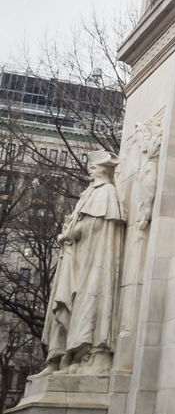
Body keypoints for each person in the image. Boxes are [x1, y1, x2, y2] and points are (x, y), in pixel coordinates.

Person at [39, 151, 125, 375]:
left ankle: (81, 354)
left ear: (104, 170)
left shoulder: (106, 192)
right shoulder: (90, 192)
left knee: (80, 301)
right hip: (74, 257)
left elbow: (93, 226)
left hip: (88, 258)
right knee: (64, 301)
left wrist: (70, 233)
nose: (90, 170)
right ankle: (57, 357)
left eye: (94, 167)